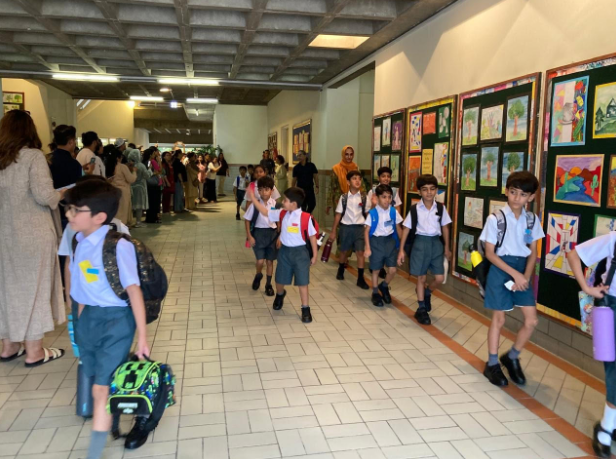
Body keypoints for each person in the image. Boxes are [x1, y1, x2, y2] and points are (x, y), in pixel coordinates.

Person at [64, 179, 149, 459]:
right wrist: (77, 324)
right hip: (88, 319)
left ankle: (94, 453)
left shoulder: (118, 246)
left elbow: (134, 291)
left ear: (99, 217)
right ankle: (118, 414)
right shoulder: (78, 241)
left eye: (76, 210)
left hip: (116, 322)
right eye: (69, 208)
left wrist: (142, 338)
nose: (69, 214)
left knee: (100, 389)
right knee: (98, 381)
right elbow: (79, 289)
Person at [0, 110, 66, 367]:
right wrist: (61, 194)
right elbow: (44, 196)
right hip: (33, 234)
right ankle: (35, 351)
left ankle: (8, 346)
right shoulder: (33, 156)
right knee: (36, 289)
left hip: (5, 235)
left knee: (7, 289)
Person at [479, 171, 543, 387]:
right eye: (513, 192)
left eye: (523, 194)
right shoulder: (495, 219)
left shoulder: (532, 220)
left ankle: (512, 356)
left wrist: (525, 276)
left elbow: (533, 252)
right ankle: (492, 363)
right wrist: (514, 274)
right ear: (506, 191)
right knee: (499, 319)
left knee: (531, 320)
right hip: (500, 269)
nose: (517, 198)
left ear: (531, 197)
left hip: (522, 271)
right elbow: (490, 254)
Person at [568, 233, 616, 457]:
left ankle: (610, 423)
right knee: (614, 369)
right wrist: (587, 289)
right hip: (611, 308)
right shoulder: (614, 239)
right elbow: (574, 254)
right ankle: (605, 429)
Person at [247, 186, 317, 324]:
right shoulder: (282, 213)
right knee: (280, 279)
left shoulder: (306, 217)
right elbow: (265, 212)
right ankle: (280, 294)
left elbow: (312, 237)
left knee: (303, 282)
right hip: (284, 252)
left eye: (285, 200)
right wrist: (254, 199)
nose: (282, 202)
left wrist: (314, 255)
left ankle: (305, 308)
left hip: (300, 253)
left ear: (294, 204)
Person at [397, 175, 452, 325]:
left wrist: (447, 248)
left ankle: (427, 292)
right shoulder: (415, 209)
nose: (429, 192)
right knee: (421, 277)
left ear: (436, 190)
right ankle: (421, 308)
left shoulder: (440, 208)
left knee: (439, 278)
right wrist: (401, 250)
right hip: (420, 243)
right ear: (419, 191)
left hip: (436, 244)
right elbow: (406, 229)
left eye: (432, 189)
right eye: (425, 189)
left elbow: (445, 228)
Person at [328, 170, 369, 290]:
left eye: (359, 179)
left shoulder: (364, 198)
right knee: (344, 251)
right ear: (348, 182)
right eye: (354, 178)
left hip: (360, 228)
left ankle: (360, 278)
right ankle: (341, 269)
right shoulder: (344, 198)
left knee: (360, 252)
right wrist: (333, 231)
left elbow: (367, 214)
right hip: (346, 228)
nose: (357, 181)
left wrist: (369, 228)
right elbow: (338, 215)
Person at [364, 184, 403, 307]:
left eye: (389, 197)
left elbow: (398, 228)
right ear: (377, 198)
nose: (387, 200)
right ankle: (375, 293)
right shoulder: (373, 213)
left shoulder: (393, 212)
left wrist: (402, 247)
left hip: (390, 242)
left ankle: (384, 285)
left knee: (392, 270)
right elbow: (366, 231)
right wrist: (368, 247)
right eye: (384, 197)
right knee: (376, 270)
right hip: (376, 242)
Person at [245, 176, 278, 297]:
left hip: (272, 235)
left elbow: (279, 222)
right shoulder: (255, 205)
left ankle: (268, 285)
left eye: (267, 189)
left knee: (269, 261)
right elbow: (247, 220)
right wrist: (249, 236)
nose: (264, 192)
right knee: (260, 261)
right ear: (258, 191)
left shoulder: (275, 204)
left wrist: (279, 237)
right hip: (258, 234)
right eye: (261, 189)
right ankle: (258, 274)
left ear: (272, 191)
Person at [327, 145, 361, 215]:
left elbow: (361, 184)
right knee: (339, 219)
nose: (349, 157)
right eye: (346, 154)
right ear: (343, 155)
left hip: (353, 199)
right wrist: (329, 204)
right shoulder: (336, 169)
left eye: (351, 154)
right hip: (339, 199)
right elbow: (331, 187)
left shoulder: (356, 168)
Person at [48, 124, 83, 191]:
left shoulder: (48, 159)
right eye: (75, 140)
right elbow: (77, 191)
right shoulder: (73, 164)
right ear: (71, 142)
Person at [110, 150, 137, 226]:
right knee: (122, 212)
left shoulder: (108, 166)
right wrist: (134, 172)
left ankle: (114, 227)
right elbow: (131, 179)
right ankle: (121, 228)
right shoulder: (122, 167)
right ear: (118, 158)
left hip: (112, 190)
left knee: (115, 211)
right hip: (123, 192)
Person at [128, 149, 148, 228]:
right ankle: (138, 222)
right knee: (139, 206)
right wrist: (150, 170)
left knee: (131, 206)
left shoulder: (129, 165)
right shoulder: (141, 166)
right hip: (140, 187)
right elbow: (146, 175)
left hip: (131, 187)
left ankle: (129, 221)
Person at [144, 148, 162, 224]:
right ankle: (152, 218)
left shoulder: (148, 161)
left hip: (151, 184)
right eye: (154, 153)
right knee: (154, 201)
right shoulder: (150, 162)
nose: (155, 155)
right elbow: (158, 170)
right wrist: (159, 162)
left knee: (152, 201)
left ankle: (152, 217)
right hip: (152, 184)